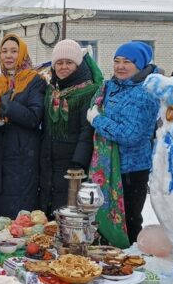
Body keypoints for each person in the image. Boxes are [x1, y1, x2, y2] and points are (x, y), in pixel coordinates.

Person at [86, 41, 162, 246]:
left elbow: (130, 135)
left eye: (127, 62)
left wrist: (97, 120)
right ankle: (109, 260)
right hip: (106, 165)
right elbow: (95, 104)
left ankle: (130, 261)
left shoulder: (145, 93)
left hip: (130, 170)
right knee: (104, 219)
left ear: (140, 65)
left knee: (127, 221)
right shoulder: (110, 86)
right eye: (117, 61)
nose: (120, 66)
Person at [0, 34, 46, 224]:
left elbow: (34, 117)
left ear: (22, 54)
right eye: (4, 51)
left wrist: (10, 107)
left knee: (19, 210)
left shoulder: (34, 80)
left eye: (14, 51)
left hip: (23, 155)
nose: (8, 55)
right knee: (0, 206)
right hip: (1, 152)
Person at [40, 40, 103, 213]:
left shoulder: (89, 91)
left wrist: (78, 162)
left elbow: (86, 130)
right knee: (50, 209)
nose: (63, 67)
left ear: (78, 65)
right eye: (59, 63)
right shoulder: (51, 91)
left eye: (69, 62)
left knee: (70, 209)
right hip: (49, 160)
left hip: (72, 163)